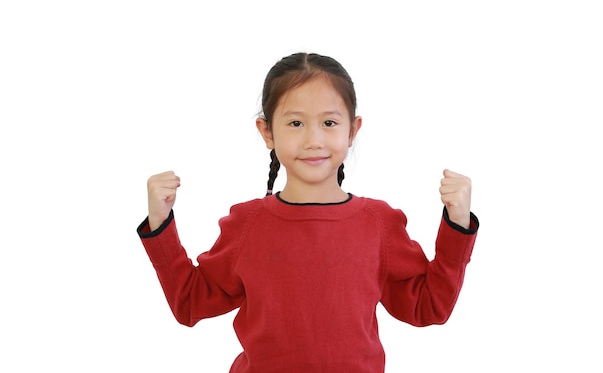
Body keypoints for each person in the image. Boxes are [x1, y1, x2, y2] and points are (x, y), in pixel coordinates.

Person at [137, 52, 479, 372]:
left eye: (329, 122)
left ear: (353, 130)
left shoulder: (379, 224)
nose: (314, 139)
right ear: (267, 131)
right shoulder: (248, 224)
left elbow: (429, 306)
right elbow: (190, 302)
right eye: (296, 123)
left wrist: (457, 225)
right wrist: (160, 223)